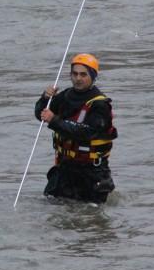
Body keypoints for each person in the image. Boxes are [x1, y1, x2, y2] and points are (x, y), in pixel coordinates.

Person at [34, 53, 117, 204]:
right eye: (75, 74)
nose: (78, 78)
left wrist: (54, 120)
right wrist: (45, 99)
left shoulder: (100, 105)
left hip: (91, 173)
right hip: (65, 169)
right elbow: (41, 115)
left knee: (89, 220)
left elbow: (86, 132)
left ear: (92, 76)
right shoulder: (65, 96)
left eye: (83, 74)